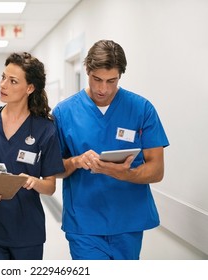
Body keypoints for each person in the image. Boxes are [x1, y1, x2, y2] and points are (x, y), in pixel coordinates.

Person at [52, 39, 169, 260]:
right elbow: (53, 169)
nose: (103, 89)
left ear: (120, 76)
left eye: (111, 81)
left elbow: (157, 169)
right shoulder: (64, 112)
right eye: (97, 79)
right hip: (84, 222)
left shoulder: (141, 109)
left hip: (128, 222)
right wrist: (76, 161)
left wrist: (127, 173)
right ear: (87, 70)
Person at [0, 52, 65, 260]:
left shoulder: (45, 129)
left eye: (12, 81)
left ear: (30, 88)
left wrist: (31, 181)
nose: (3, 85)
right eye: (3, 77)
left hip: (26, 232)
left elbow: (50, 186)